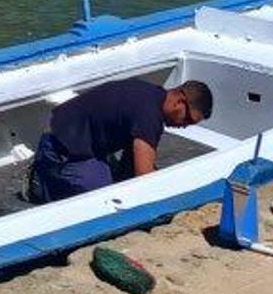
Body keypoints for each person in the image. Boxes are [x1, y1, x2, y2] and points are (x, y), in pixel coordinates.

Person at [27, 79, 214, 204]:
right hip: (60, 146)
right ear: (179, 102)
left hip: (84, 139)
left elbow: (138, 156)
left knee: (127, 169)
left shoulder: (153, 95)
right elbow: (145, 176)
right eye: (187, 119)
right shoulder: (148, 115)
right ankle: (39, 182)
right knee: (102, 194)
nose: (184, 126)